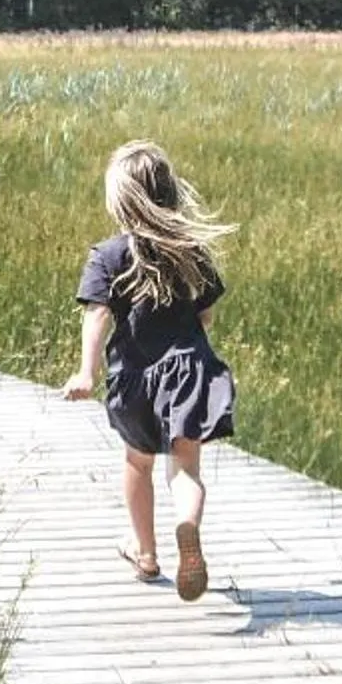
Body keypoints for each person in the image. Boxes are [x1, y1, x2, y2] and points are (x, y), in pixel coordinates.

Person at [61, 140, 237, 602]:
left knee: (138, 463)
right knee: (186, 471)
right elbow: (205, 317)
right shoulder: (191, 251)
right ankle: (187, 525)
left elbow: (97, 315)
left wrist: (86, 372)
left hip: (137, 375)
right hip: (191, 373)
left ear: (120, 201)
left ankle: (146, 554)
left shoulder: (109, 255)